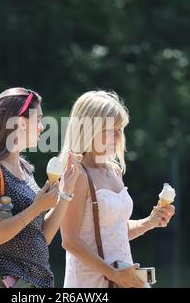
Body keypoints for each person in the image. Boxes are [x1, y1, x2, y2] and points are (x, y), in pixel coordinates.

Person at [60, 90, 175, 288]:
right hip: (91, 283)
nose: (118, 135)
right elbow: (70, 241)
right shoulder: (77, 174)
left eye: (120, 128)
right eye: (110, 129)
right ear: (89, 130)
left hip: (123, 277)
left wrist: (150, 222)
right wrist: (115, 275)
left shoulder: (114, 170)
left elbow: (113, 231)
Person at [0, 87, 82, 288]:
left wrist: (66, 190)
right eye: (38, 120)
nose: (41, 127)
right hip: (5, 281)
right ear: (21, 122)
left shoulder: (24, 168)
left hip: (35, 283)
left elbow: (42, 237)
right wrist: (36, 208)